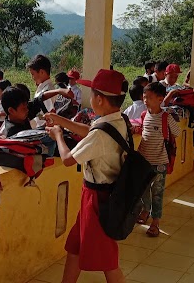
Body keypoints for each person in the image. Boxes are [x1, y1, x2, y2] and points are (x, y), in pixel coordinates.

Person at [44, 69, 129, 283]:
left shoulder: (101, 133)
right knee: (75, 247)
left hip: (98, 200)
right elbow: (90, 130)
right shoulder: (117, 121)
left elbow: (68, 159)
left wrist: (58, 136)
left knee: (108, 261)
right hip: (99, 195)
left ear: (99, 99)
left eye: (91, 94)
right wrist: (60, 121)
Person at [136, 83, 181, 237]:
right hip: (143, 162)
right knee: (143, 189)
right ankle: (145, 210)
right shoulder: (144, 115)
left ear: (160, 99)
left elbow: (177, 132)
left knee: (157, 192)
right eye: (144, 97)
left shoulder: (166, 117)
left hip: (160, 162)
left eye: (149, 97)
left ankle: (155, 222)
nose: (145, 100)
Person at [0, 86, 74, 138]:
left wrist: (59, 91)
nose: (27, 109)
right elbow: (32, 137)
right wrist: (46, 128)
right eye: (24, 108)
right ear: (11, 110)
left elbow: (38, 100)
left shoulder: (20, 115)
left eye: (27, 106)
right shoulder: (12, 132)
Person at [27, 55, 56, 128]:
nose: (32, 77)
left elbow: (47, 115)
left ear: (42, 72)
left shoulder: (48, 91)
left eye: (33, 74)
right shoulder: (42, 88)